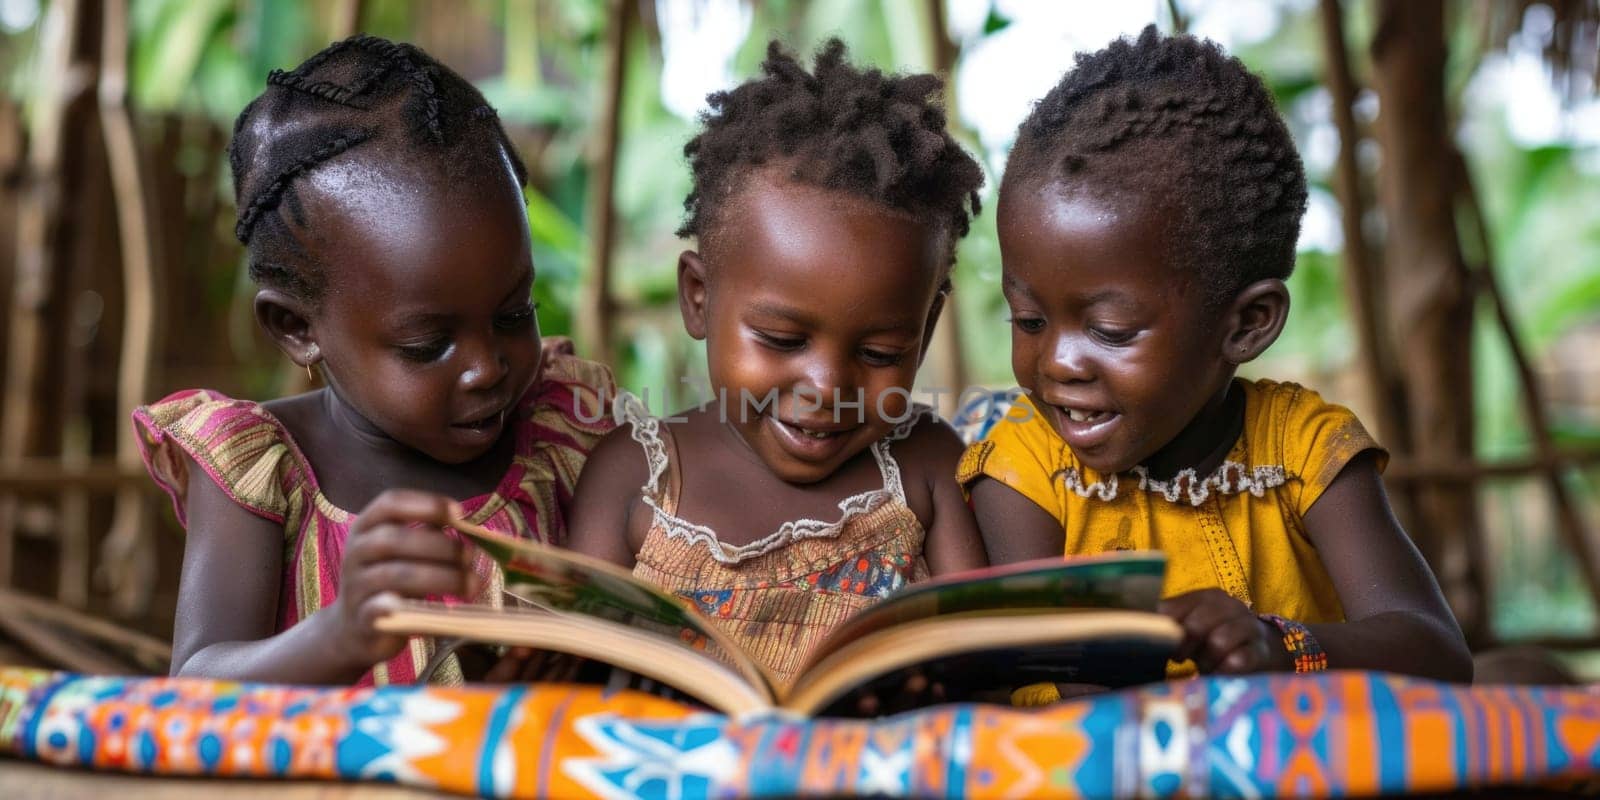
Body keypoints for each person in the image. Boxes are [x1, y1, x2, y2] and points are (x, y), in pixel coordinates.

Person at [959, 26, 1470, 693]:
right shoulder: (1024, 471)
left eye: (1110, 330)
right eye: (1028, 320)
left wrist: (1278, 645)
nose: (1056, 362)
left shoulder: (1304, 452)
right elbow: (1051, 691)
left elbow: (1437, 653)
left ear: (1247, 324)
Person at [134, 36, 613, 687]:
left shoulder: (562, 429)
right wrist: (341, 634)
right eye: (427, 346)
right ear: (297, 328)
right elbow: (195, 683)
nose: (487, 367)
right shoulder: (263, 471)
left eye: (513, 315)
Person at [567, 40, 989, 691]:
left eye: (880, 354)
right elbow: (573, 687)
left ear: (925, 329)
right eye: (782, 338)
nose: (827, 386)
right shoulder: (635, 476)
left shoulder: (923, 467)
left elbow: (985, 670)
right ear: (698, 299)